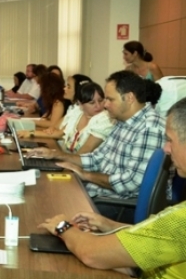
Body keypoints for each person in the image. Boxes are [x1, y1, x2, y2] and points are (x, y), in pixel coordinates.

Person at [37, 97, 186, 279]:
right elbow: (167, 239)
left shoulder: (180, 222)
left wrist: (62, 227)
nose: (164, 148)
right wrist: (111, 226)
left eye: (170, 140)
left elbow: (91, 254)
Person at [28, 71, 165, 219]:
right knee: (45, 190)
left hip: (119, 204)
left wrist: (85, 175)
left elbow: (129, 183)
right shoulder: (123, 121)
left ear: (130, 98)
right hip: (101, 193)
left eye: (109, 99)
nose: (105, 104)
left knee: (52, 207)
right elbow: (96, 158)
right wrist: (56, 155)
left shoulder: (149, 128)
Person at [20, 81, 114, 154]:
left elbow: (83, 154)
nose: (98, 106)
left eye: (101, 101)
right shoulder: (77, 113)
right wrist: (30, 133)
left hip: (80, 166)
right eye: (92, 103)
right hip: (69, 159)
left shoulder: (105, 119)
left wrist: (56, 155)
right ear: (80, 104)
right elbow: (59, 133)